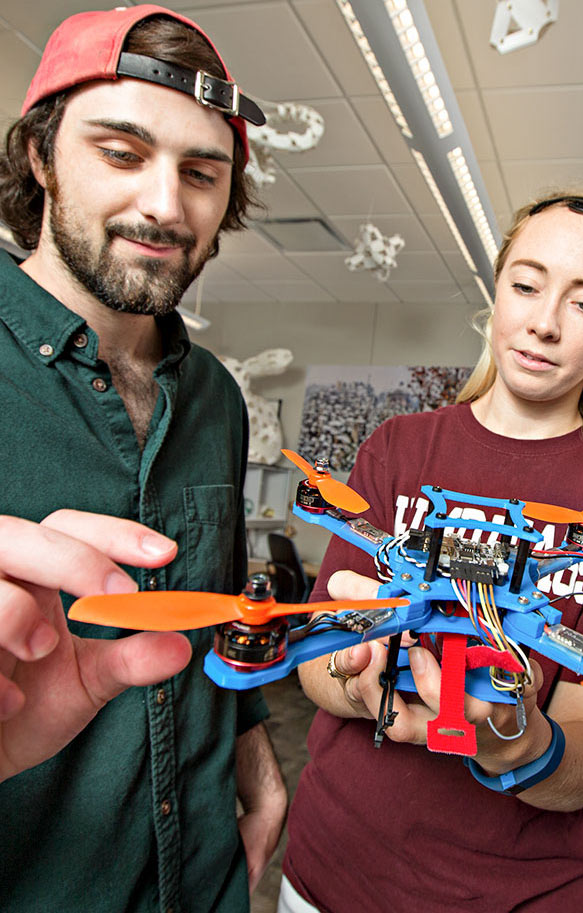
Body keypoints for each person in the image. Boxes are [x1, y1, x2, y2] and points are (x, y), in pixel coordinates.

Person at [279, 191, 583, 912]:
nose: (543, 323)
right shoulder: (398, 449)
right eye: (527, 284)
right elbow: (318, 663)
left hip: (511, 892)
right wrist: (358, 680)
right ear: (497, 289)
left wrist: (520, 743)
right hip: (330, 870)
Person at [0, 6, 287, 911]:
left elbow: (222, 604)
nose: (165, 204)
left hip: (202, 878)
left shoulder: (216, 400)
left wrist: (259, 770)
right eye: (121, 153)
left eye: (201, 173)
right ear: (41, 156)